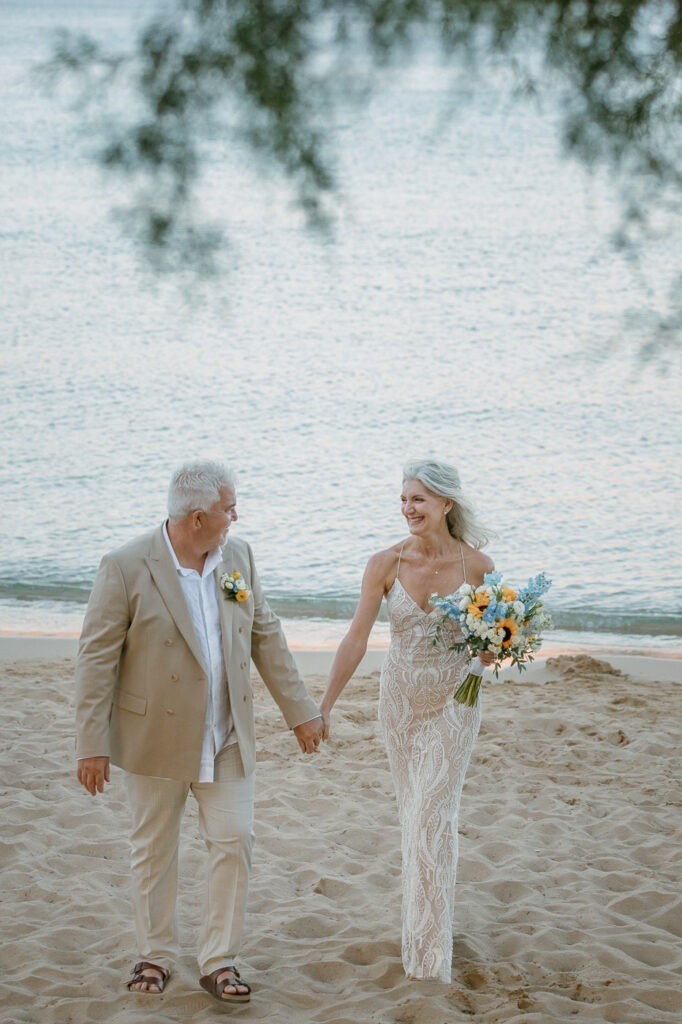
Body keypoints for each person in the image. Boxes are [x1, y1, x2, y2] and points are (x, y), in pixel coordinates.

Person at [75, 460, 324, 1004]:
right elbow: (95, 660)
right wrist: (90, 744)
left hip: (227, 734)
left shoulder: (238, 556)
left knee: (235, 843)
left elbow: (265, 633)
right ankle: (154, 955)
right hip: (154, 738)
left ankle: (219, 961)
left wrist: (300, 710)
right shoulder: (124, 566)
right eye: (229, 508)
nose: (237, 515)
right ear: (196, 518)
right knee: (154, 850)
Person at [319, 459, 495, 983]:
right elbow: (355, 639)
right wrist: (324, 705)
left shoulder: (478, 566)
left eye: (418, 499)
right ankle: (420, 933)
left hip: (454, 702)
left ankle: (428, 958)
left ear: (446, 504)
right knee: (413, 815)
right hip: (399, 704)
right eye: (403, 499)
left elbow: (493, 639)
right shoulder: (384, 564)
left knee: (431, 819)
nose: (408, 509)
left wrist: (495, 652)